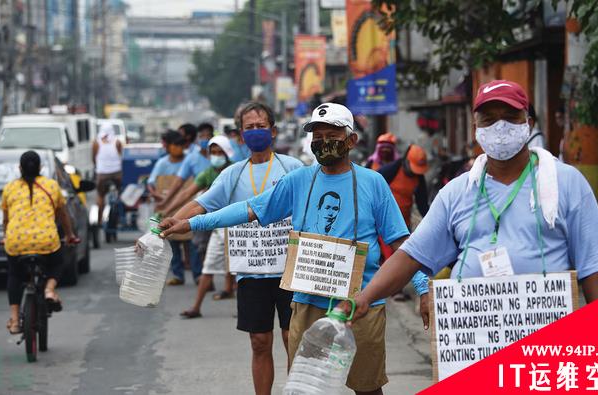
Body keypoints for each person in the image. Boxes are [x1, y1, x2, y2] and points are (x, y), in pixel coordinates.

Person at [160, 102, 430, 395]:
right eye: (317, 135)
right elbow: (249, 209)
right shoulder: (299, 180)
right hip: (307, 303)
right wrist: (192, 223)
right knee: (307, 388)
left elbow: (401, 243)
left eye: (333, 134)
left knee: (367, 388)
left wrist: (423, 289)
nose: (323, 141)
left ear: (351, 140)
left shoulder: (373, 183)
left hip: (360, 305)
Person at [346, 80, 598, 327]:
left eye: (511, 118)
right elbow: (411, 255)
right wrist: (365, 297)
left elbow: (593, 268)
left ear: (529, 124)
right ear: (476, 129)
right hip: (475, 340)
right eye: (489, 120)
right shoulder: (457, 192)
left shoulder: (566, 182)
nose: (500, 127)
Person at [159, 102, 303, 395]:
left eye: (261, 126)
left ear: (273, 131)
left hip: (292, 270)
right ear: (240, 136)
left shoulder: (293, 168)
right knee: (259, 342)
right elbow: (203, 203)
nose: (256, 132)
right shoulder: (232, 175)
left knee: (293, 339)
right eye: (249, 128)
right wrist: (174, 220)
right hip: (251, 272)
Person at [1, 151, 79, 334]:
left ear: (20, 168)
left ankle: (14, 320)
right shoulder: (51, 186)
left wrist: (6, 237)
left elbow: (6, 220)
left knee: (14, 274)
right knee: (57, 261)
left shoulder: (9, 188)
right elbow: (63, 215)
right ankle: (50, 290)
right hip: (47, 242)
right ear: (41, 168)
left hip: (16, 243)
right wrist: (69, 236)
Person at [179, 135, 237, 318]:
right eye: (213, 152)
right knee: (208, 266)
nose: (217, 156)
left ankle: (241, 308)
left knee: (240, 269)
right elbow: (190, 196)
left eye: (220, 152)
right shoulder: (208, 173)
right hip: (218, 225)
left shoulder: (237, 171)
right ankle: (196, 307)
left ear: (228, 153)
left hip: (239, 226)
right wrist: (169, 213)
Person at [146, 131, 200, 286]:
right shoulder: (162, 163)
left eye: (180, 145)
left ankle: (198, 275)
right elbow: (151, 183)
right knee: (172, 242)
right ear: (168, 146)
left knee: (192, 242)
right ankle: (178, 274)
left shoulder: (189, 161)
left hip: (189, 206)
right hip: (168, 207)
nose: (178, 148)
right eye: (175, 145)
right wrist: (158, 196)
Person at [378, 144, 430, 302]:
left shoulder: (419, 179)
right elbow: (372, 189)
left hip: (403, 223)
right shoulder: (389, 171)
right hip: (384, 223)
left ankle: (392, 286)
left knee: (403, 256)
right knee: (391, 257)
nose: (415, 172)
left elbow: (422, 205)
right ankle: (394, 290)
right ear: (406, 161)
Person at [156, 123, 214, 210]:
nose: (205, 139)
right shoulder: (192, 158)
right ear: (198, 138)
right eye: (202, 136)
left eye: (208, 135)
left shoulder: (221, 158)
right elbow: (179, 183)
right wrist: (165, 202)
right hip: (202, 200)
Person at [92, 122, 123, 226]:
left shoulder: (96, 142)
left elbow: (94, 158)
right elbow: (121, 156)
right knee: (120, 193)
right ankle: (119, 217)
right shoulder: (117, 142)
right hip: (117, 173)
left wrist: (98, 167)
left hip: (102, 173)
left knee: (100, 195)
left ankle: (100, 220)